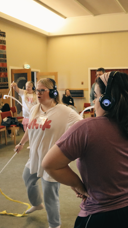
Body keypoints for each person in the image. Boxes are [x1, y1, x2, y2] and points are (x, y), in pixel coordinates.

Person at [42, 72, 128, 228]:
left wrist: (80, 186)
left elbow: (50, 164)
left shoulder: (86, 128)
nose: (94, 101)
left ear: (107, 101)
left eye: (96, 96)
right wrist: (127, 173)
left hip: (103, 214)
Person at [14, 78, 82, 228]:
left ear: (52, 92)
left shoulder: (64, 111)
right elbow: (31, 128)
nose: (37, 93)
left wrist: (68, 149)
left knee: (50, 194)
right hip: (35, 157)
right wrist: (21, 143)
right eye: (37, 90)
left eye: (41, 90)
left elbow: (82, 127)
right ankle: (37, 204)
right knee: (27, 178)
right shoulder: (35, 109)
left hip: (51, 161)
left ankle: (54, 224)